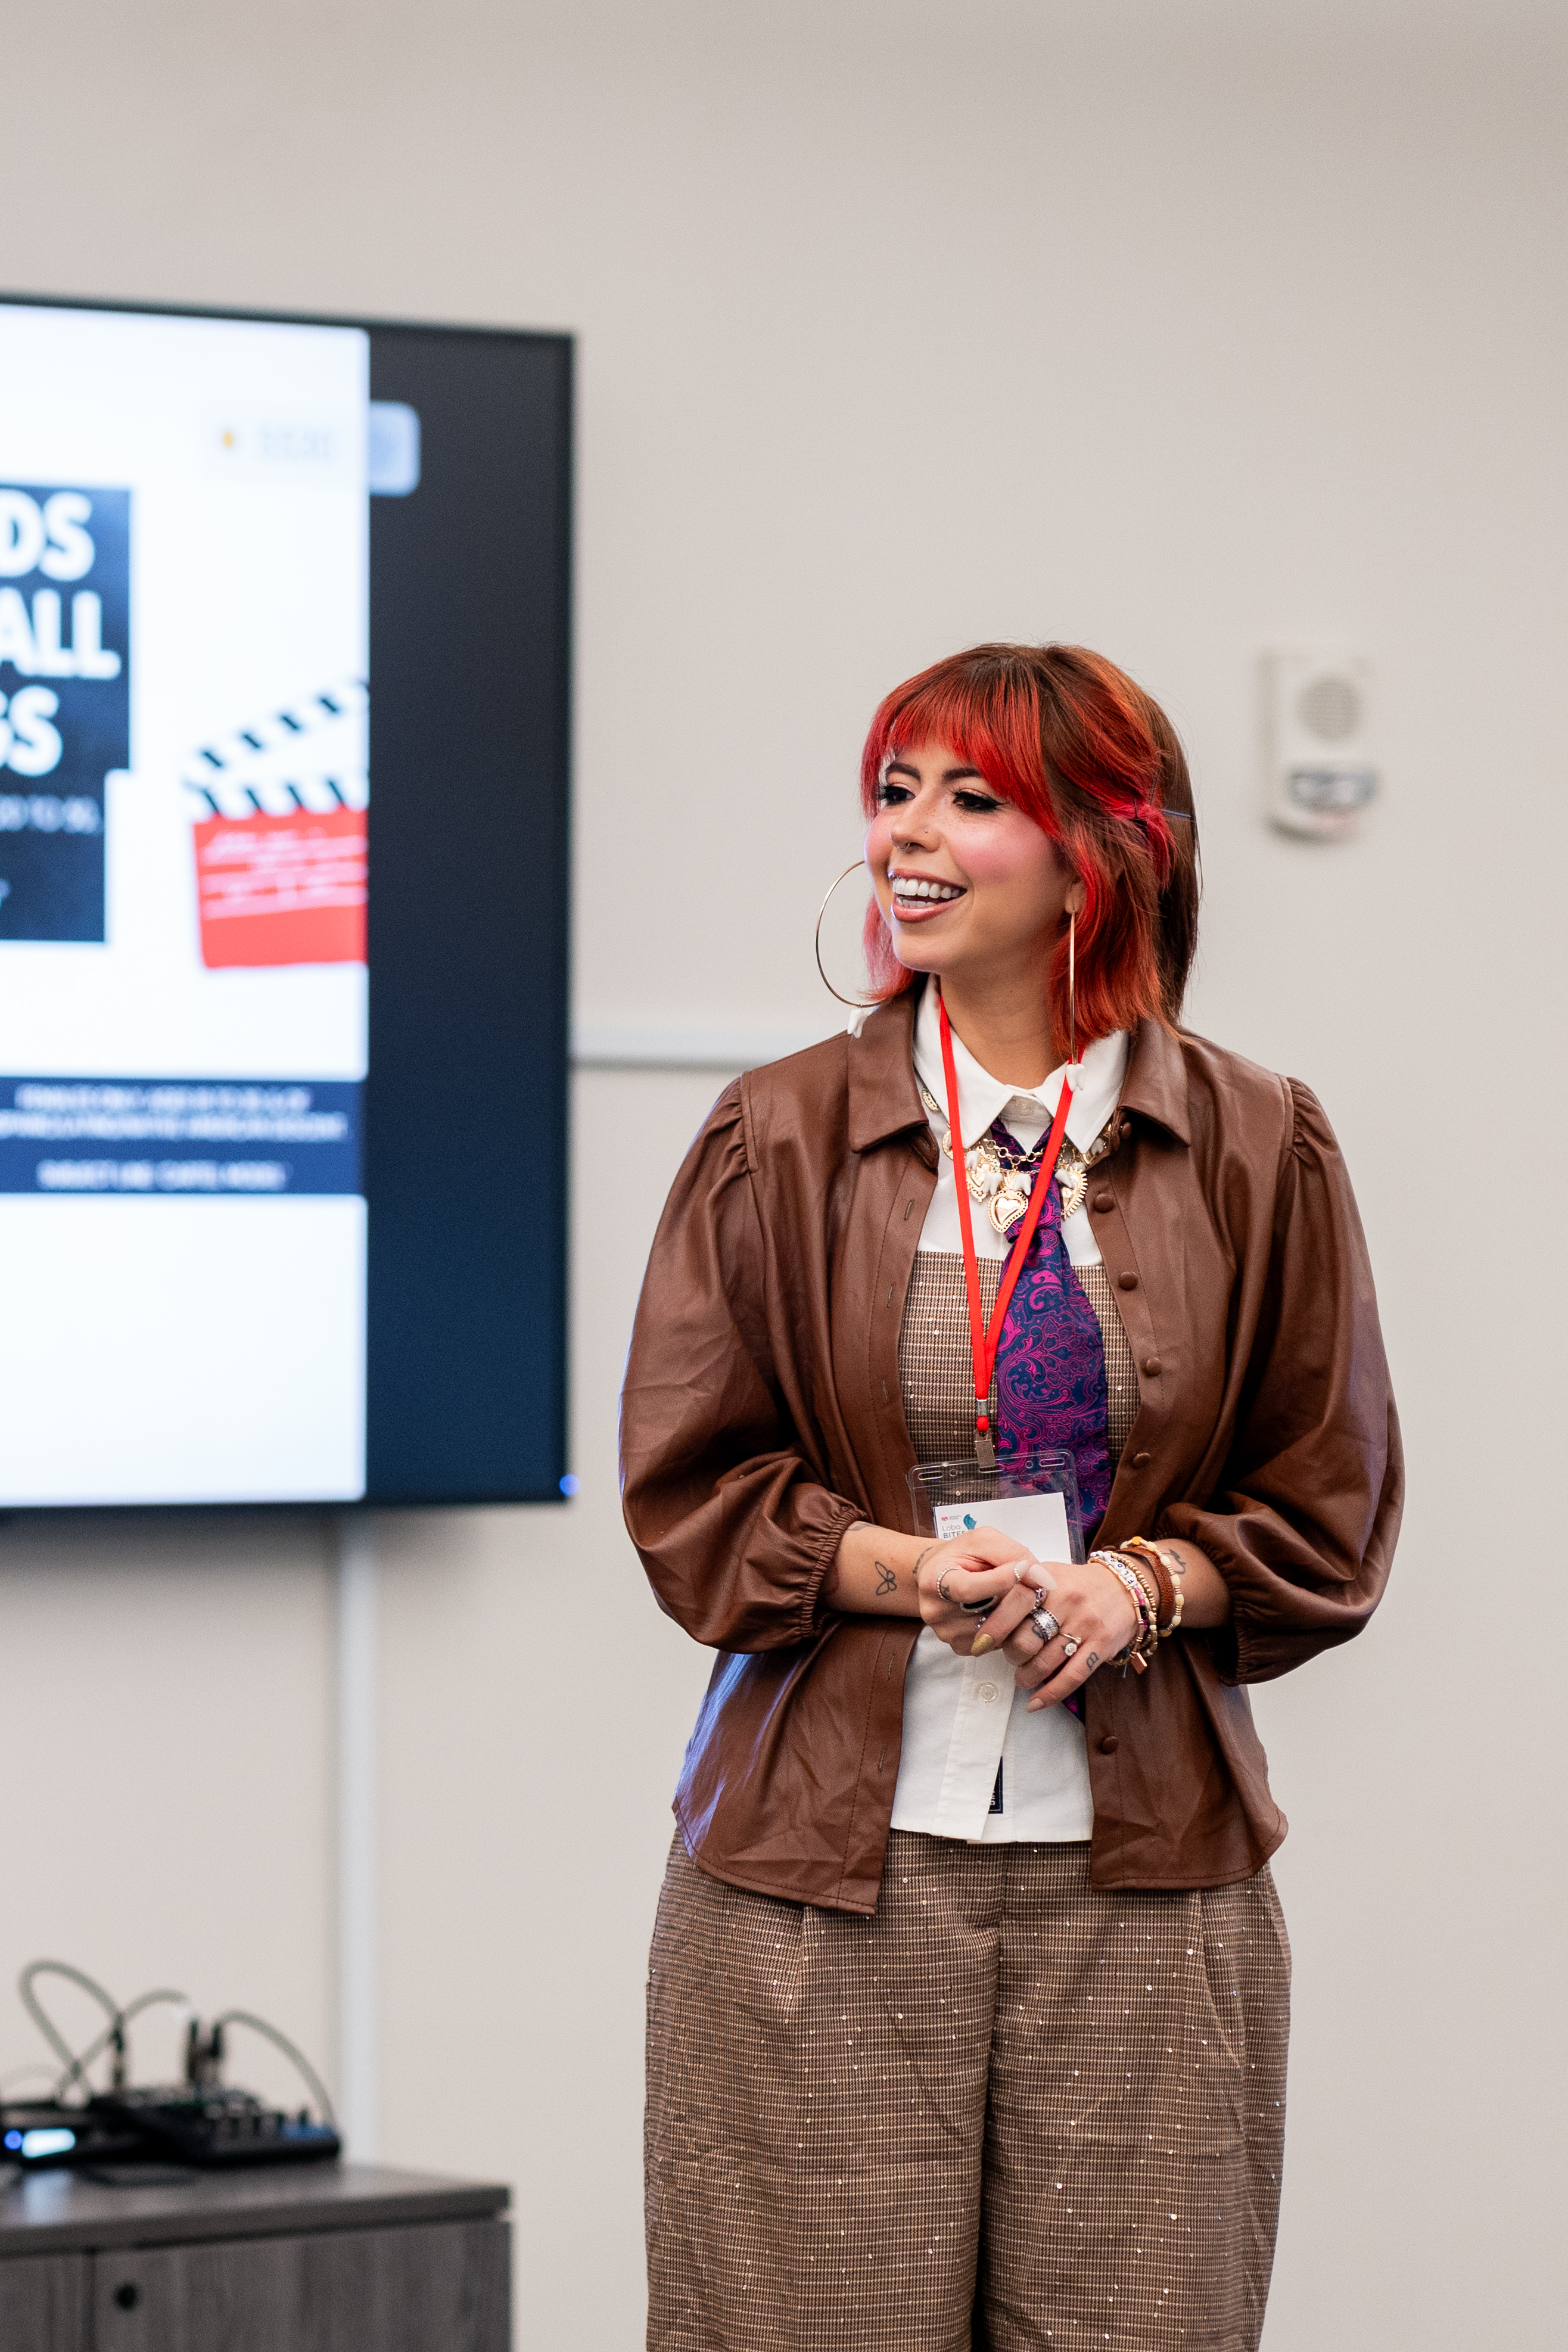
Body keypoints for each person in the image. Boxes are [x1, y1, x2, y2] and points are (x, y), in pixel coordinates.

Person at [620, 640, 1401, 2352]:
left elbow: (1328, 1510)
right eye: (895, 790)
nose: (909, 834)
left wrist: (1148, 1586)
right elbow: (688, 1493)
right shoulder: (779, 1137)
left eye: (972, 799)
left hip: (1149, 1902)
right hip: (816, 1893)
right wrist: (897, 1567)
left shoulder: (1267, 1145)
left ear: (1103, 852)